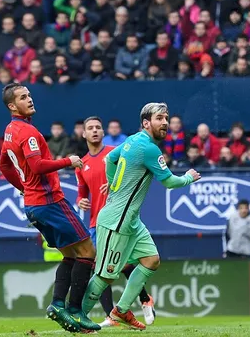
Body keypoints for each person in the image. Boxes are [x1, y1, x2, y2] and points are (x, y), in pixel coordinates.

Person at [81, 103, 201, 330]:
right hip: (118, 220)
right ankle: (79, 316)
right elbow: (169, 182)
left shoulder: (132, 140)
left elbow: (110, 160)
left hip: (132, 220)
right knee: (106, 275)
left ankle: (121, 311)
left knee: (151, 260)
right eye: (159, 118)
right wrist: (188, 177)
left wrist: (113, 183)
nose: (165, 122)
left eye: (166, 118)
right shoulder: (150, 149)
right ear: (146, 123)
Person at [0, 83, 99, 333]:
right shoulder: (28, 133)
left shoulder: (10, 131)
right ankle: (76, 310)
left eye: (29, 95)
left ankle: (57, 305)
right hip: (50, 200)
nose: (30, 99)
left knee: (70, 255)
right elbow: (37, 166)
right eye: (23, 97)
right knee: (88, 252)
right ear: (12, 106)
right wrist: (69, 161)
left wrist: (22, 187)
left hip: (32, 205)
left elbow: (4, 166)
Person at [74, 116, 156, 328]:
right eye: (90, 128)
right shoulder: (81, 164)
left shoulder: (117, 152)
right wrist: (80, 200)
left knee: (118, 267)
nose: (94, 131)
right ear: (83, 134)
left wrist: (113, 182)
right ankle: (118, 312)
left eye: (98, 128)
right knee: (109, 270)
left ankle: (138, 302)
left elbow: (130, 175)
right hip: (96, 223)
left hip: (120, 219)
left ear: (103, 133)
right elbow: (82, 192)